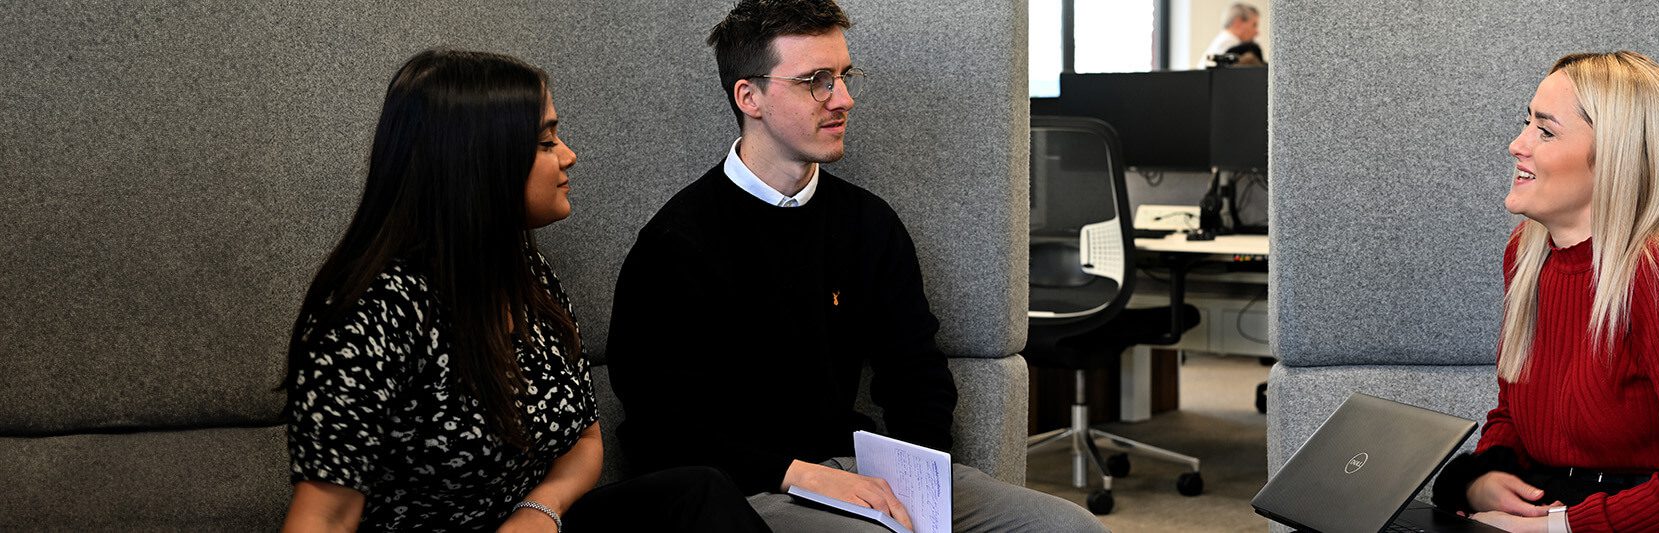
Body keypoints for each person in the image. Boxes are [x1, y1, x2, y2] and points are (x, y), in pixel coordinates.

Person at [602, 1, 1107, 531]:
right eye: (817, 81)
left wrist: (922, 486)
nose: (843, 99)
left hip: (869, 473)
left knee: (1077, 528)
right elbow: (662, 422)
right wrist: (800, 474)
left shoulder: (867, 222)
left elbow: (916, 372)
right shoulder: (676, 243)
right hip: (749, 490)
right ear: (749, 97)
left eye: (844, 76)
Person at [279, 49, 768, 532]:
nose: (569, 156)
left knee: (698, 492)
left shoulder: (526, 272)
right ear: (477, 162)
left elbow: (585, 441)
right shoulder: (369, 313)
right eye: (545, 141)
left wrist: (538, 510)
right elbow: (325, 517)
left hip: (537, 524)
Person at [1431, 51, 1659, 532]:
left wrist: (1553, 529)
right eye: (1526, 123)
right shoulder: (1527, 255)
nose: (1516, 145)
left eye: (1545, 130)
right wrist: (1485, 479)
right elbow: (1514, 414)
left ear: (1614, 154)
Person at [1202, 3, 1262, 67]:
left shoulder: (1221, 42)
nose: (1257, 32)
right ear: (1238, 23)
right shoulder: (1230, 45)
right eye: (1254, 25)